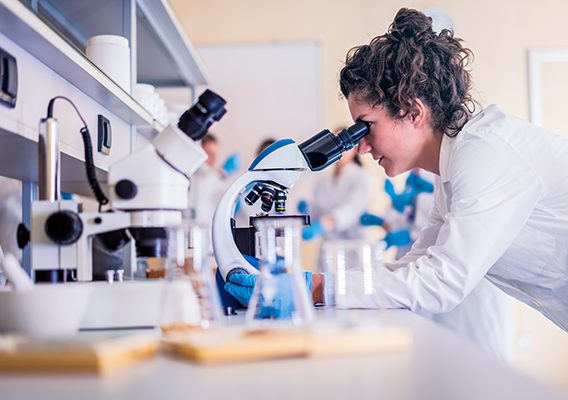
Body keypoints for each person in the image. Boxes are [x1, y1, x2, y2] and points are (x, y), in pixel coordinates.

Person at [225, 8, 568, 334]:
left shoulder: (486, 152)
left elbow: (441, 281)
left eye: (366, 126)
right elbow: (415, 264)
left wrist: (313, 287)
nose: (361, 145)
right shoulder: (453, 167)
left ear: (413, 112)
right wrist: (312, 282)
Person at [301, 130, 372, 242]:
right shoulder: (323, 180)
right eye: (334, 144)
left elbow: (351, 209)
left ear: (353, 149)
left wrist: (324, 224)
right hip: (328, 246)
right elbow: (318, 211)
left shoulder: (360, 177)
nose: (339, 149)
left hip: (352, 245)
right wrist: (307, 209)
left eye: (344, 145)